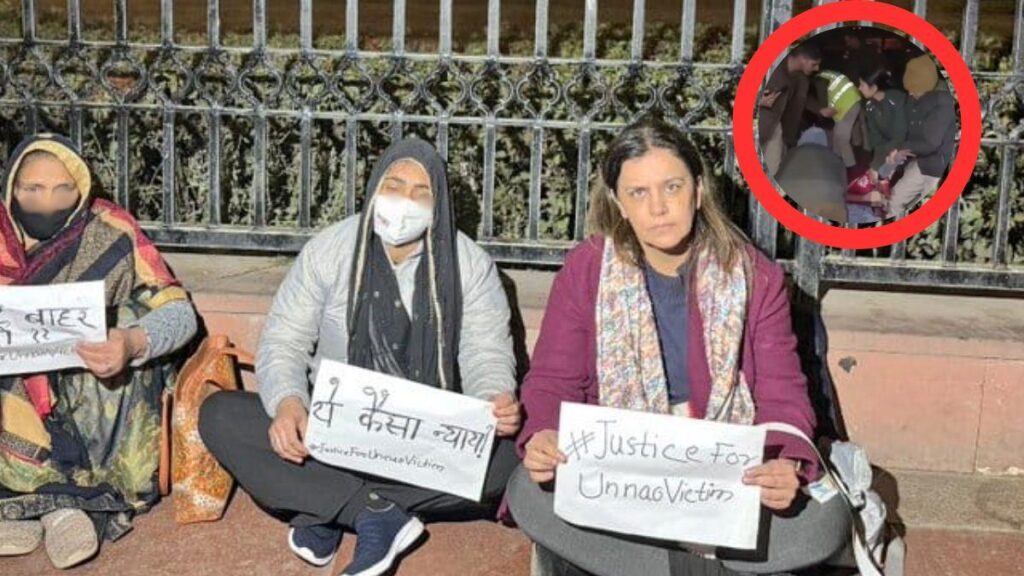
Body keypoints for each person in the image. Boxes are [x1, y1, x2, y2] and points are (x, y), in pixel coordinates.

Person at [505, 119, 851, 576]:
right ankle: (702, 565)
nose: (658, 208)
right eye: (638, 193)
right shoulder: (587, 269)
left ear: (699, 190)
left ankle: (640, 562)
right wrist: (544, 435)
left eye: (672, 187)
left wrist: (786, 463)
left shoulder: (754, 276)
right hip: (623, 469)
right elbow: (553, 379)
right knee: (527, 492)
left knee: (823, 521)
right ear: (618, 204)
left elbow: (781, 391)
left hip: (721, 469)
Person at [198, 138, 520, 576]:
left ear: (439, 203)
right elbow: (284, 340)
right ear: (374, 187)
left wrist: (493, 399)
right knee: (219, 415)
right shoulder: (330, 249)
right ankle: (374, 513)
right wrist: (289, 403)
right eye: (393, 186)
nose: (403, 202)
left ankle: (325, 503)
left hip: (424, 438)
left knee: (511, 460)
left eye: (420, 193)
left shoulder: (469, 264)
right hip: (333, 430)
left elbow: (486, 352)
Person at [0, 134, 198, 568]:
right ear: (11, 187)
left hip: (88, 394)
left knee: (126, 318)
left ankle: (69, 501)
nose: (47, 202)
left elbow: (179, 313)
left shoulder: (111, 231)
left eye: (62, 189)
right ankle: (20, 496)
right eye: (32, 189)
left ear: (82, 189)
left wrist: (132, 342)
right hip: (10, 399)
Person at [885, 55, 956, 218]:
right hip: (923, 163)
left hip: (932, 167)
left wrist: (900, 149)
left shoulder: (942, 103)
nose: (910, 92)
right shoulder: (922, 99)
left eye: (914, 88)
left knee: (895, 203)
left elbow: (930, 142)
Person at [759, 43, 837, 177]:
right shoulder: (771, 69)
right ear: (803, 59)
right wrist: (759, 102)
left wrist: (820, 110)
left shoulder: (800, 79)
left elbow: (802, 98)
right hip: (762, 125)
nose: (817, 68)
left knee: (775, 167)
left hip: (779, 129)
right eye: (814, 64)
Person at [856, 64, 909, 185]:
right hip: (889, 149)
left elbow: (900, 136)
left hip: (907, 147)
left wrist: (876, 165)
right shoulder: (870, 105)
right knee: (876, 176)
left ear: (874, 87)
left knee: (883, 172)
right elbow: (875, 138)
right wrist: (876, 163)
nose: (859, 88)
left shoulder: (898, 100)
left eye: (862, 85)